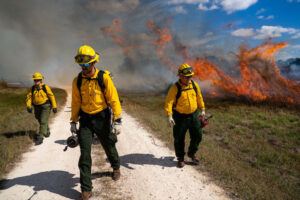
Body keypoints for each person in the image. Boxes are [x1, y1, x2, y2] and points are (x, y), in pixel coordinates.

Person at [70, 45, 122, 200]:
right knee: (84, 153)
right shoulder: (77, 81)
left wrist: (117, 119)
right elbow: (76, 102)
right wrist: (73, 121)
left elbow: (114, 99)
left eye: (86, 64)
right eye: (81, 63)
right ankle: (86, 189)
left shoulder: (103, 78)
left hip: (102, 117)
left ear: (94, 62)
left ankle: (116, 167)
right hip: (85, 120)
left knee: (108, 144)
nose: (83, 67)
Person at [165, 63, 205, 168]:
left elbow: (199, 97)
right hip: (180, 117)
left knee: (197, 135)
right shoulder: (175, 88)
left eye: (190, 77)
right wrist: (169, 115)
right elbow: (169, 102)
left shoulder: (194, 85)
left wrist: (203, 109)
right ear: (180, 76)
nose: (189, 79)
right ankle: (180, 158)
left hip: (194, 115)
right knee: (179, 138)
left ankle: (191, 153)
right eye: (187, 77)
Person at [26, 72, 57, 145]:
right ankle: (47, 131)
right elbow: (29, 97)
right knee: (39, 118)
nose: (36, 81)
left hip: (45, 106)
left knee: (43, 121)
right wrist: (28, 106)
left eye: (38, 80)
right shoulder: (33, 88)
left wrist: (54, 106)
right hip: (36, 107)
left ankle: (40, 138)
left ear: (41, 80)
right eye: (35, 80)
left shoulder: (45, 87)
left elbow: (51, 96)